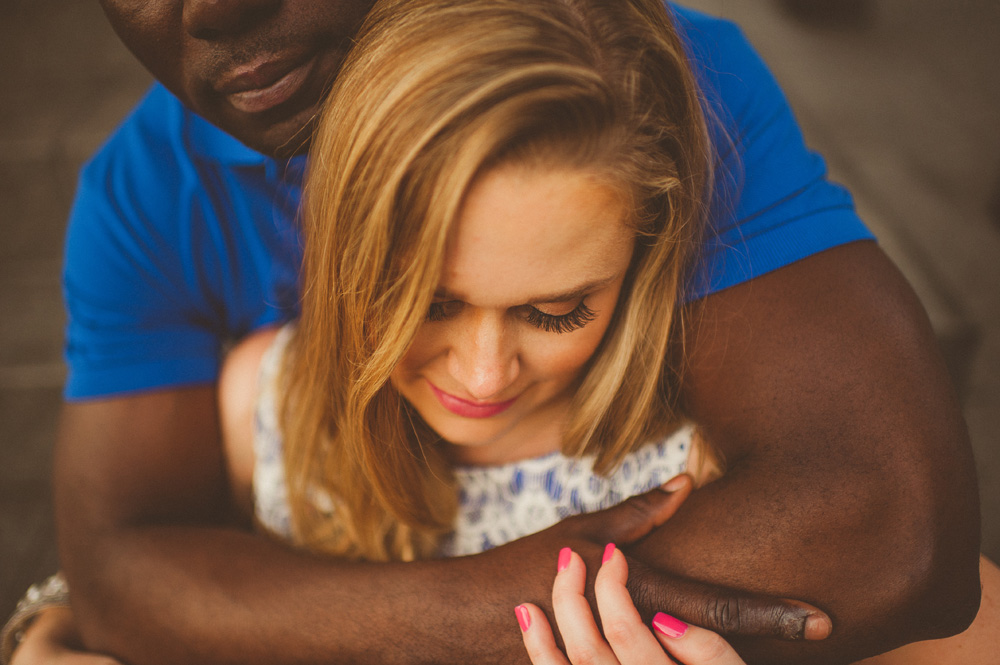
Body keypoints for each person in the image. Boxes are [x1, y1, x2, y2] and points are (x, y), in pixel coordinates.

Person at [6, 0, 982, 663]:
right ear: (329, 247)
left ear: (654, 249)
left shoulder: (639, 89)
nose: (480, 365)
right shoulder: (252, 384)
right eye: (422, 297)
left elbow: (900, 539)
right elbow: (124, 565)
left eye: (555, 308)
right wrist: (520, 597)